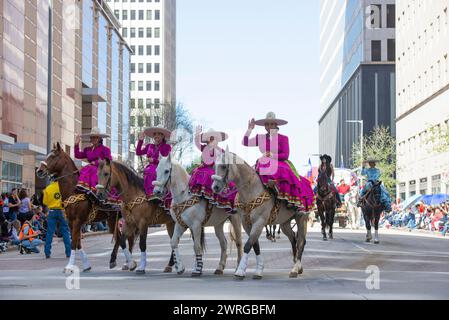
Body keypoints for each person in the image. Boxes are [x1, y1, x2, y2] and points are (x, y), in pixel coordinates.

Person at [242, 112, 314, 211]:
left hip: (280, 162)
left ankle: (285, 197)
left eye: (272, 124)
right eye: (267, 124)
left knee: (281, 170)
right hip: (264, 163)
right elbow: (245, 142)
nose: (269, 126)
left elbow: (286, 155)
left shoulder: (283, 138)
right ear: (264, 126)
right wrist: (250, 129)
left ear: (276, 125)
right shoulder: (261, 138)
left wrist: (272, 155)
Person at [190, 126, 237, 212]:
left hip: (215, 170)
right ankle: (202, 195)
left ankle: (218, 199)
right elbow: (197, 144)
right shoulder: (204, 148)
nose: (212, 140)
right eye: (210, 138)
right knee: (199, 172)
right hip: (204, 168)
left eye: (213, 138)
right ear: (207, 140)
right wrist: (197, 134)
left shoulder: (220, 150)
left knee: (215, 176)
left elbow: (227, 158)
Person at [136, 125, 172, 208]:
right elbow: (138, 152)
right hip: (149, 168)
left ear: (163, 136)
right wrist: (140, 141)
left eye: (158, 134)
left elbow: (166, 160)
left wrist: (154, 160)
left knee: (151, 171)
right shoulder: (149, 146)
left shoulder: (167, 147)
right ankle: (145, 195)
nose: (156, 136)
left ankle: (154, 194)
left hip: (161, 168)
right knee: (147, 171)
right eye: (155, 134)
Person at [75, 127, 112, 199]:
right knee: (83, 170)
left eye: (95, 137)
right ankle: (83, 189)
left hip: (100, 170)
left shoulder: (105, 149)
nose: (93, 139)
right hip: (89, 168)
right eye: (92, 137)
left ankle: (94, 190)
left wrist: (96, 162)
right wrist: (76, 144)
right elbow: (78, 155)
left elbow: (109, 160)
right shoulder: (88, 149)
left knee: (91, 169)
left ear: (99, 138)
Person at [43, 178, 71, 259]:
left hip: (52, 211)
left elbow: (45, 202)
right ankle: (68, 253)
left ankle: (47, 253)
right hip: (62, 211)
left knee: (50, 232)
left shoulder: (48, 188)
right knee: (65, 231)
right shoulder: (64, 187)